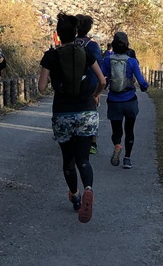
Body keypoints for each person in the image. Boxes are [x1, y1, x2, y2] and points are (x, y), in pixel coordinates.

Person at [39, 12, 105, 224]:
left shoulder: (51, 56)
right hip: (86, 112)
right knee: (83, 159)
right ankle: (88, 189)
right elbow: (102, 81)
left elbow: (41, 88)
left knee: (68, 161)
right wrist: (94, 95)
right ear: (76, 33)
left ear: (58, 35)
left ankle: (76, 197)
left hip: (62, 113)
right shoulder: (86, 53)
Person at [101, 31, 149, 170]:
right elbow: (141, 81)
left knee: (116, 131)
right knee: (129, 130)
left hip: (114, 100)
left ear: (113, 45)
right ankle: (127, 159)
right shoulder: (132, 62)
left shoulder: (107, 60)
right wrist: (145, 87)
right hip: (129, 100)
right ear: (127, 46)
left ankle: (117, 145)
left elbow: (101, 77)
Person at [75, 14, 104, 154]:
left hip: (72, 84)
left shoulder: (69, 43)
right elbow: (100, 66)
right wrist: (98, 91)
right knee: (92, 113)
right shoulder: (92, 45)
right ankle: (92, 143)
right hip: (90, 85)